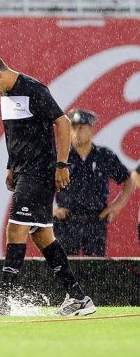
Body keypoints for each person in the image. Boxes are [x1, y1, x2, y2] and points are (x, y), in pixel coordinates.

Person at [0, 54, 95, 317]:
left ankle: (2, 301)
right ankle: (79, 298)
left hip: (40, 172)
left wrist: (62, 165)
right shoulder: (6, 97)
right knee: (43, 237)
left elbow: (63, 122)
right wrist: (10, 165)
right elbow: (14, 134)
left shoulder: (33, 89)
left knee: (16, 229)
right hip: (24, 171)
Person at [53, 109, 134, 256]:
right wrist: (50, 209)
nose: (77, 132)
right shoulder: (61, 157)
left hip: (96, 220)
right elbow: (40, 183)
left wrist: (116, 206)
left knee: (95, 268)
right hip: (66, 221)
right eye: (74, 128)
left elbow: (129, 180)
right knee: (66, 269)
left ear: (91, 130)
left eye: (82, 128)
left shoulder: (104, 156)